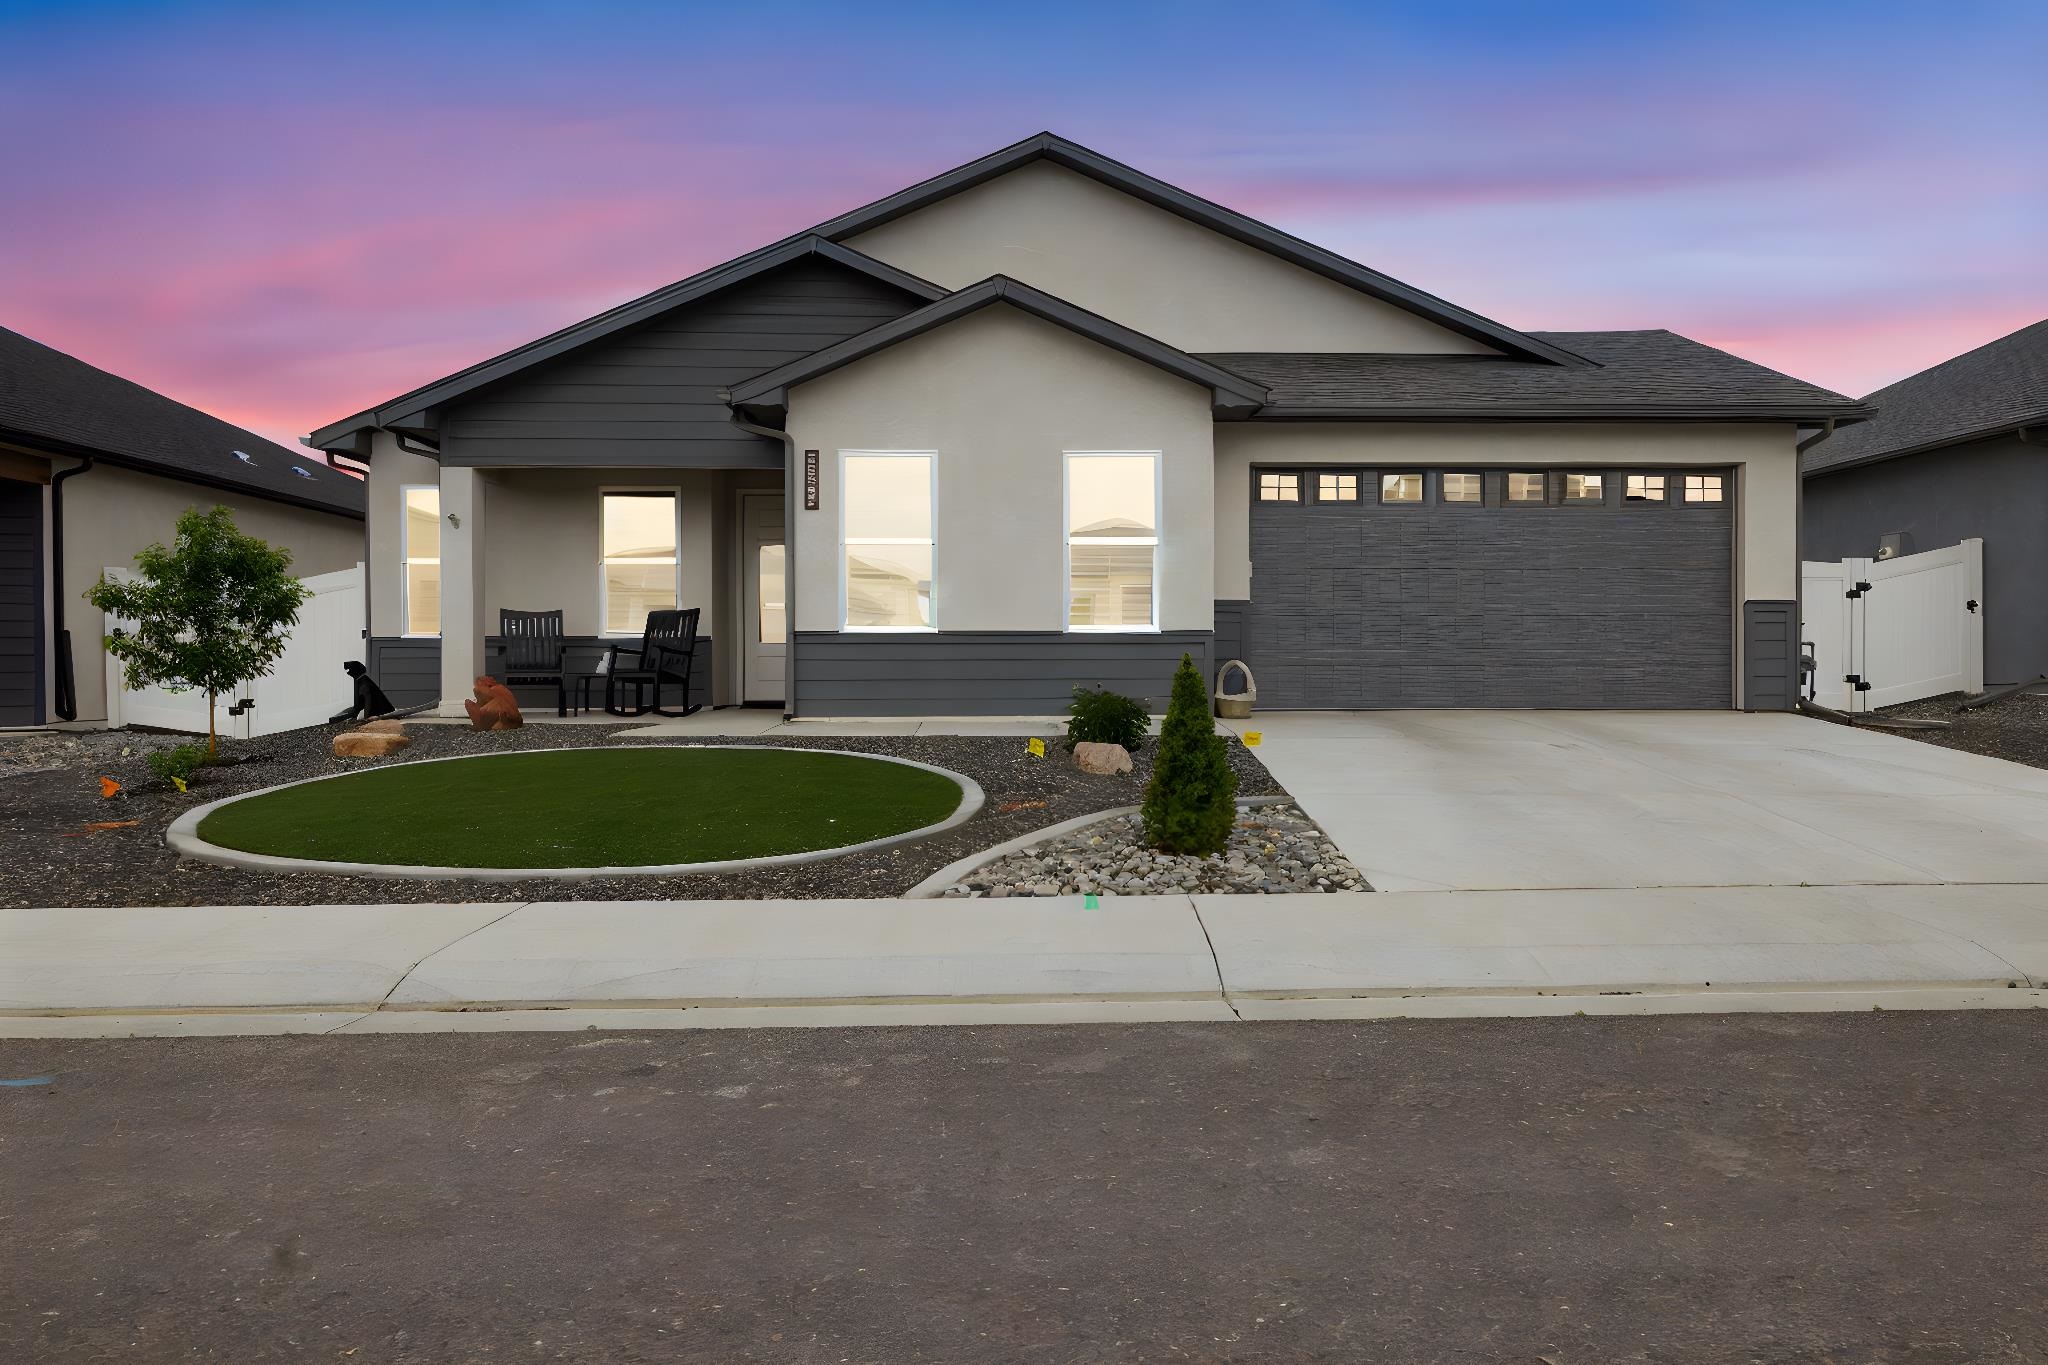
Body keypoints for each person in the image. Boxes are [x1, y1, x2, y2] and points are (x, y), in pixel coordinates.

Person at [329, 660, 395, 724]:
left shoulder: (363, 684)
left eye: (348, 670)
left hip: (384, 714)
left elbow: (368, 702)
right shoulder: (362, 680)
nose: (347, 672)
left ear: (355, 671)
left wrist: (366, 718)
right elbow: (361, 702)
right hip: (383, 712)